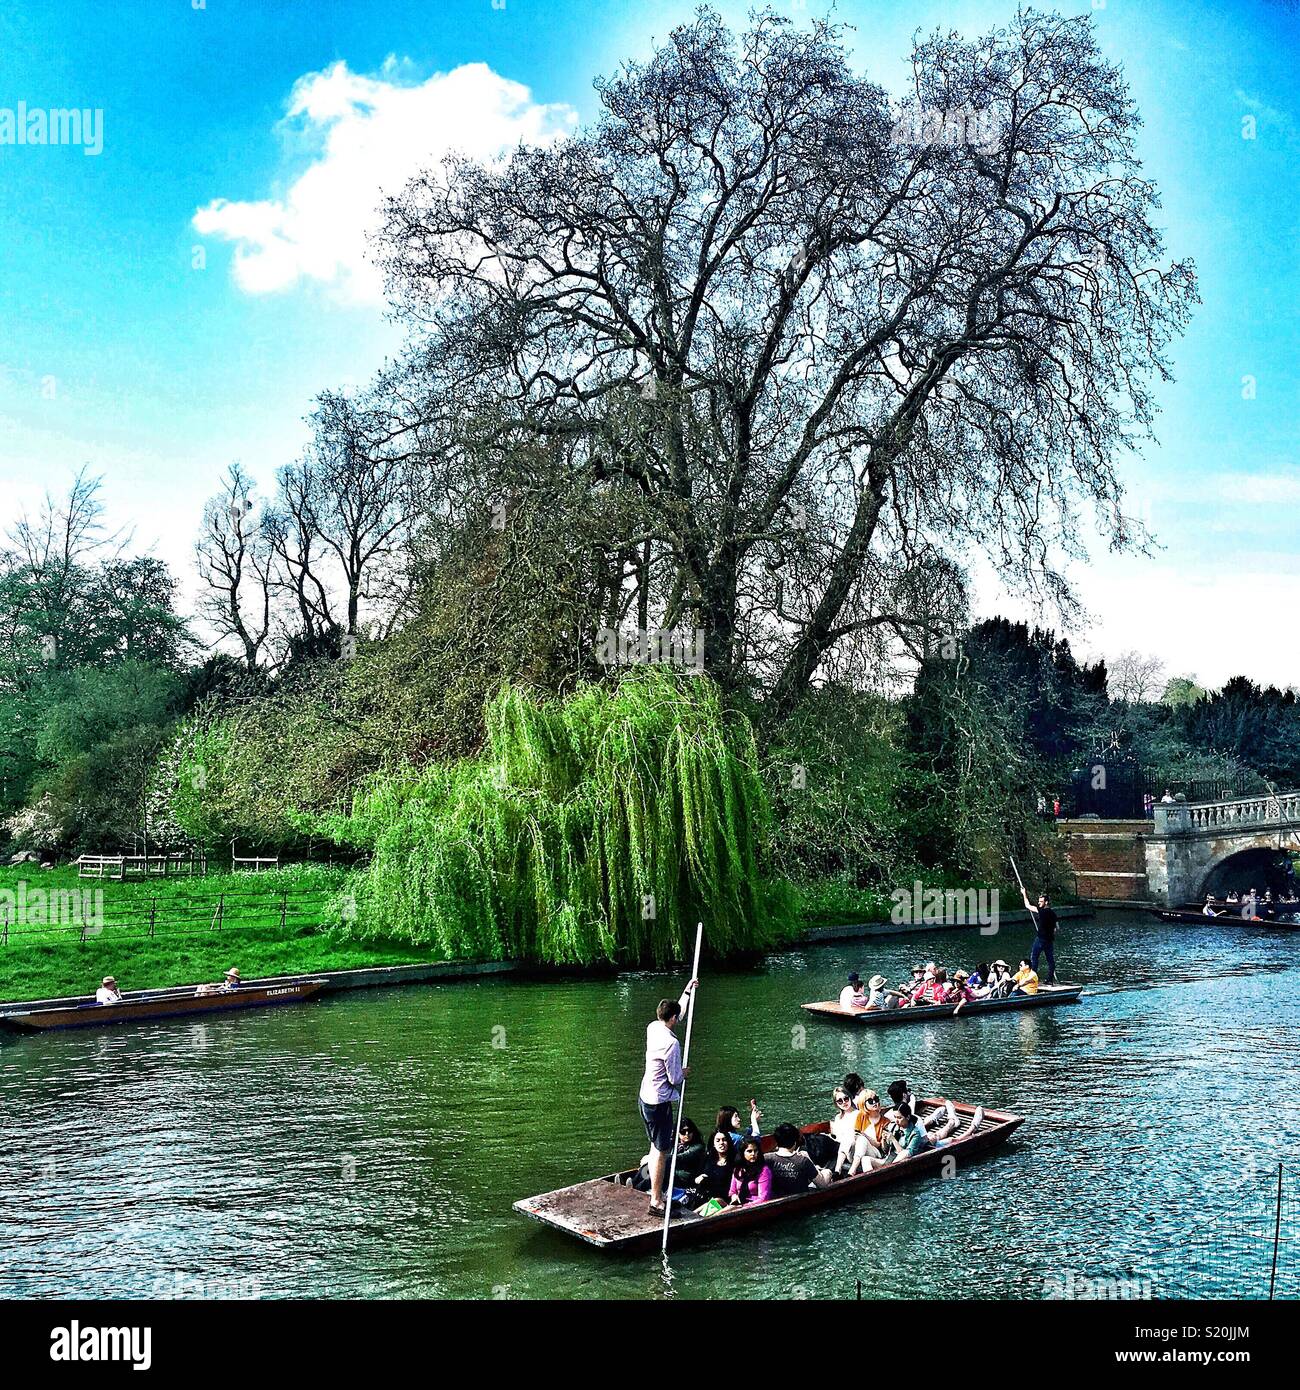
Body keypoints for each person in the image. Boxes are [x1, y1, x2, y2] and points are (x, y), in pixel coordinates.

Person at [638, 976, 699, 1214]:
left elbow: (678, 1013)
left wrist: (687, 991)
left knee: (655, 1147)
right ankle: (656, 1200)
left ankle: (656, 1191)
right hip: (659, 1103)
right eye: (676, 1018)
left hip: (645, 1098)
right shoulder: (671, 1044)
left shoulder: (653, 1027)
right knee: (662, 1151)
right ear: (672, 1019)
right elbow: (674, 1078)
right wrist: (684, 1072)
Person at [768, 1123, 832, 1195]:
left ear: (777, 1142)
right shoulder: (803, 1160)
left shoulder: (767, 1158)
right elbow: (822, 1185)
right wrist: (826, 1172)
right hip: (800, 1198)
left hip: (777, 1195)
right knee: (827, 1172)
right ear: (795, 1143)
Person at [1021, 888, 1059, 984]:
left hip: (1041, 939)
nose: (1039, 903)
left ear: (1046, 902)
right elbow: (1057, 928)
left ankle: (1033, 978)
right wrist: (1050, 933)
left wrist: (1024, 893)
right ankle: (1049, 980)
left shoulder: (1042, 911)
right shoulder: (1053, 913)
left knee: (1034, 957)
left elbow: (1027, 905)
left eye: (1041, 902)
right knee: (1050, 959)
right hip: (1049, 940)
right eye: (1039, 901)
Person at [693, 1130, 737, 1204]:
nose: (721, 1143)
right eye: (718, 1141)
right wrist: (698, 1179)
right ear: (713, 1144)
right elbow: (697, 1177)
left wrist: (708, 1180)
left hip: (724, 1200)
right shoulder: (708, 1158)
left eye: (724, 1140)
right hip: (705, 1197)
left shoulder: (735, 1160)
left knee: (717, 1201)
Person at [728, 1136, 772, 1206]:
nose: (753, 1154)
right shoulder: (738, 1169)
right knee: (717, 1201)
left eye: (755, 1151)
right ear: (743, 1152)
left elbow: (764, 1198)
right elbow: (732, 1191)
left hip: (753, 1207)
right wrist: (734, 1197)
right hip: (738, 1203)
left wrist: (743, 1206)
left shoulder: (763, 1171)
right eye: (749, 1151)